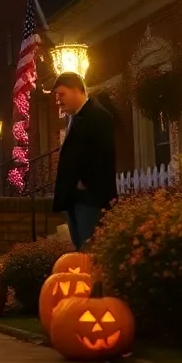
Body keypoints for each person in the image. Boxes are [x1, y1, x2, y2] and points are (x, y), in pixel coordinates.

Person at [52, 72, 117, 249]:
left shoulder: (98, 116)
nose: (58, 100)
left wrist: (83, 182)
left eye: (62, 94)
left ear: (76, 90)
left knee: (90, 250)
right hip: (75, 199)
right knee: (80, 249)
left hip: (90, 198)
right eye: (57, 95)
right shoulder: (76, 118)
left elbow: (102, 154)